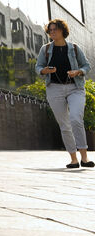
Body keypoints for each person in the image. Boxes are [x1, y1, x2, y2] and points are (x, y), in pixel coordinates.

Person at [36, 18, 91, 168]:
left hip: (75, 88)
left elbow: (87, 66)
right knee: (64, 125)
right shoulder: (45, 49)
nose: (52, 32)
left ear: (62, 30)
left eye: (55, 29)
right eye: (50, 30)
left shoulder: (74, 48)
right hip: (54, 88)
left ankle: (85, 158)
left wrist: (78, 71)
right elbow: (38, 66)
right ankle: (73, 159)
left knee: (75, 119)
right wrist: (44, 71)